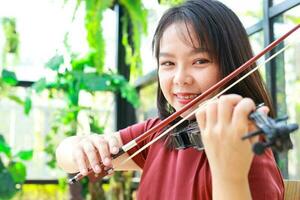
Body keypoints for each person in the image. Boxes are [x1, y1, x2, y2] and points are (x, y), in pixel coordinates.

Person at [56, 0, 284, 199]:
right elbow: (64, 156)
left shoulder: (249, 152)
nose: (180, 78)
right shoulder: (161, 134)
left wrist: (230, 175)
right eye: (168, 63)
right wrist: (83, 146)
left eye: (200, 61)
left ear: (232, 64)